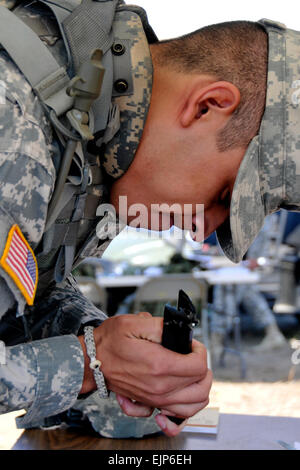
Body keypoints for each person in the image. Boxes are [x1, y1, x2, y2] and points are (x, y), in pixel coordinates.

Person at [0, 0, 299, 438]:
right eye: (223, 195)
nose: (205, 228)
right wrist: (87, 364)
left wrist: (113, 356)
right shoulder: (16, 132)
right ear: (207, 106)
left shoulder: (92, 142)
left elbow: (24, 290)